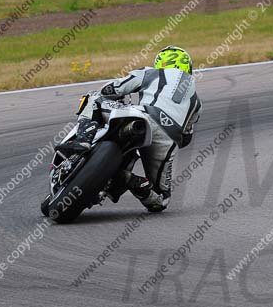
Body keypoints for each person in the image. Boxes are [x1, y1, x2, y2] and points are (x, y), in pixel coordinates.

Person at [56, 46, 202, 212]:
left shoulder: (151, 72)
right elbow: (186, 138)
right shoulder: (197, 102)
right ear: (188, 67)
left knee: (93, 97)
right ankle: (129, 180)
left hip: (143, 114)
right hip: (168, 139)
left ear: (159, 63)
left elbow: (111, 89)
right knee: (160, 200)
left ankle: (82, 141)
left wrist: (116, 94)